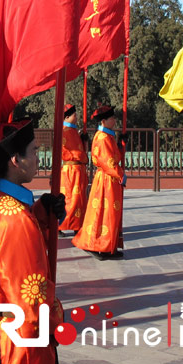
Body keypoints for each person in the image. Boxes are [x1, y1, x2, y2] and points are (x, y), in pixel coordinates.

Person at [0, 119, 64, 364]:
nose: (38, 158)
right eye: (34, 151)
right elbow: (30, 298)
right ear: (15, 160)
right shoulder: (16, 219)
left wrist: (43, 211)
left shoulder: (4, 204)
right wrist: (54, 319)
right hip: (23, 343)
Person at [72, 105, 125, 259]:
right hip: (106, 181)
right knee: (101, 213)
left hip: (110, 180)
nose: (115, 120)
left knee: (109, 214)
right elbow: (108, 162)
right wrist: (121, 174)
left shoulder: (108, 136)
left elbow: (115, 157)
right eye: (112, 118)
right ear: (103, 121)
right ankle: (95, 245)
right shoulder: (102, 138)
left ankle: (108, 246)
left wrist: (122, 146)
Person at [58, 103, 88, 237]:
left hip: (78, 169)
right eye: (74, 115)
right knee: (70, 198)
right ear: (66, 117)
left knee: (79, 199)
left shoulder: (74, 131)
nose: (76, 118)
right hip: (70, 170)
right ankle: (60, 225)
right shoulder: (64, 132)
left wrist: (83, 142)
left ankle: (77, 224)